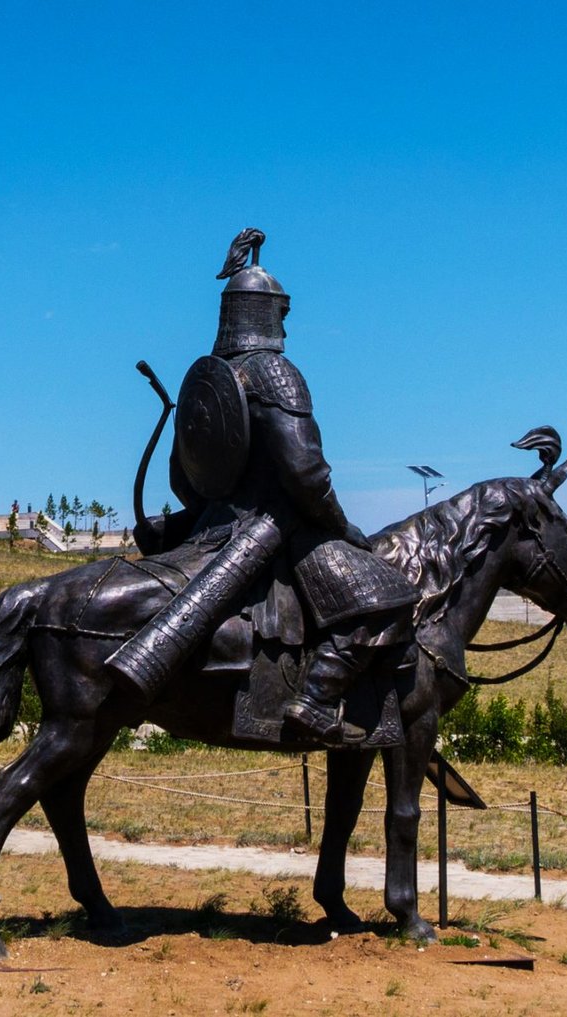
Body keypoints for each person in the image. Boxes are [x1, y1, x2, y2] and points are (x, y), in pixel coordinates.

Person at [133, 229, 419, 745]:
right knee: (389, 595)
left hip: (208, 526)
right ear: (266, 313)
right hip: (274, 528)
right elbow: (306, 472)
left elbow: (183, 476)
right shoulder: (275, 373)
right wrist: (341, 525)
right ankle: (313, 703)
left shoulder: (208, 376)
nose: (286, 321)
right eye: (281, 312)